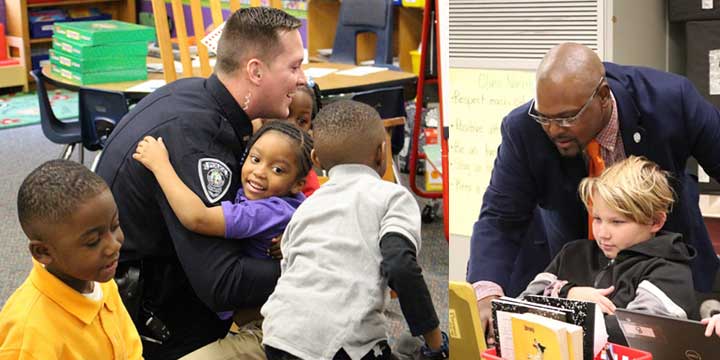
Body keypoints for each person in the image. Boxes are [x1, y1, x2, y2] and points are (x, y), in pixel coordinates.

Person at [467, 42, 720, 343]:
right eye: (544, 118)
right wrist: (485, 294)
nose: (552, 129)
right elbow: (500, 218)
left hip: (663, 259)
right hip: (578, 269)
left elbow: (636, 331)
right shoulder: (524, 129)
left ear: (603, 97)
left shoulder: (670, 100)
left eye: (566, 118)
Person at [94, 7, 307, 359]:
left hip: (147, 285)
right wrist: (313, 261)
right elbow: (222, 283)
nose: (302, 79)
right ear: (255, 71)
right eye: (294, 66)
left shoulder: (195, 95)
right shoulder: (196, 140)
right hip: (148, 317)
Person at [260, 100, 449, 360]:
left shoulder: (305, 207)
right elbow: (400, 266)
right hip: (342, 344)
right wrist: (436, 342)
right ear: (382, 151)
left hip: (278, 334)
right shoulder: (392, 197)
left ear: (315, 159)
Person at [519, 156, 697, 342]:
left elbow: (634, 334)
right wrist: (567, 293)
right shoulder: (572, 253)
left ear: (655, 221)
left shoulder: (670, 272)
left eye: (617, 222)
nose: (602, 233)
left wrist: (567, 307)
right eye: (597, 219)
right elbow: (519, 308)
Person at [0, 160, 142, 359]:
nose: (114, 245)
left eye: (115, 225)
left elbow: (131, 352)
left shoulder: (100, 280)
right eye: (93, 241)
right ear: (43, 252)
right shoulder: (30, 334)